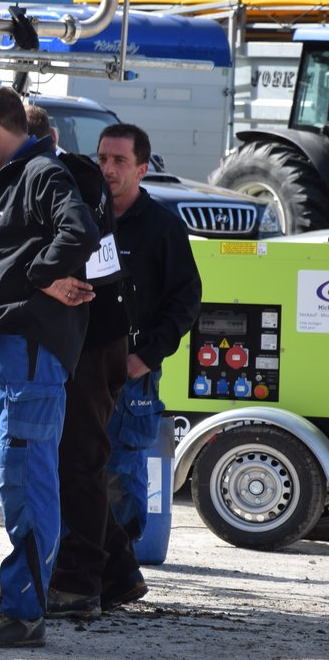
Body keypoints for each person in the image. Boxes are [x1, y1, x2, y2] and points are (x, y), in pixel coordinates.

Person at [0, 85, 101, 648]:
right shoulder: (0, 179)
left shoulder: (42, 174)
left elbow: (79, 229)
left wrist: (37, 275)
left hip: (26, 351)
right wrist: (34, 271)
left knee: (23, 483)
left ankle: (24, 613)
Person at [26, 106, 135, 620]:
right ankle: (119, 572)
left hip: (91, 339)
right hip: (101, 334)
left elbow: (85, 255)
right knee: (81, 461)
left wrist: (37, 277)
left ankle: (81, 583)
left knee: (79, 462)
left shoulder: (55, 177)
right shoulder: (81, 174)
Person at [96, 123, 201, 609]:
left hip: (135, 371)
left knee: (122, 469)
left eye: (119, 161)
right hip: (84, 368)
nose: (108, 169)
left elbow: (186, 302)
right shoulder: (84, 217)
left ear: (142, 168)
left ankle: (119, 571)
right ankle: (85, 569)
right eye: (102, 158)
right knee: (76, 469)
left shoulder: (162, 227)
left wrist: (147, 356)